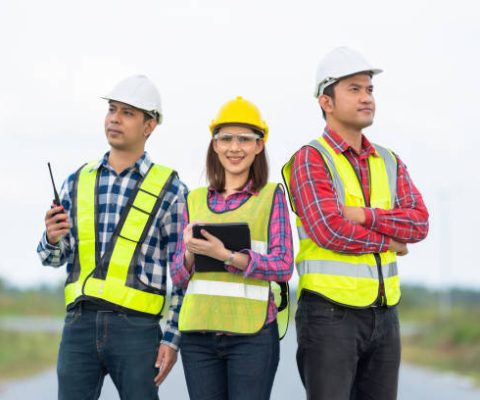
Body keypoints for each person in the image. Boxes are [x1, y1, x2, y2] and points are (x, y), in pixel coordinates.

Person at [282, 47, 429, 400]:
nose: (367, 98)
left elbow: (419, 223)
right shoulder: (310, 159)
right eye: (354, 89)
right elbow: (329, 229)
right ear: (326, 102)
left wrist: (365, 215)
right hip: (330, 315)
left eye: (370, 90)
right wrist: (389, 241)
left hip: (385, 315)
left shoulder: (389, 160)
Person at [37, 75, 188, 400]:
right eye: (112, 110)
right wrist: (51, 238)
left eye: (128, 113)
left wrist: (171, 338)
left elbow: (184, 274)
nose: (115, 119)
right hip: (78, 325)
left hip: (137, 331)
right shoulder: (78, 180)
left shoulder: (171, 189)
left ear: (150, 125)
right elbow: (54, 257)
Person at [170, 96, 294, 400]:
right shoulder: (194, 199)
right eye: (226, 138)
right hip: (198, 336)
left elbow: (283, 265)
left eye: (244, 139)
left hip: (251, 337)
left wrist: (226, 256)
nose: (234, 147)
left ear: (259, 145)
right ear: (215, 144)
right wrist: (190, 252)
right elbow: (176, 276)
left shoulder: (271, 196)